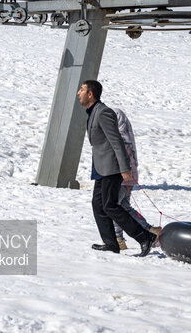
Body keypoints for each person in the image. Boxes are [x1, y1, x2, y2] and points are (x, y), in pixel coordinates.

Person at [77, 80, 157, 256]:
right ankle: (111, 243)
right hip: (100, 166)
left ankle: (145, 237)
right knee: (98, 205)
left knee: (110, 205)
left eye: (81, 90)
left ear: (90, 94)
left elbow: (117, 141)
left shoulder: (103, 112)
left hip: (112, 167)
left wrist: (125, 168)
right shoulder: (92, 112)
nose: (78, 93)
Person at [110, 108, 159, 250]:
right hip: (130, 174)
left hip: (122, 174)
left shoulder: (120, 136)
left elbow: (120, 150)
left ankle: (118, 238)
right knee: (124, 206)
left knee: (114, 206)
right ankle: (149, 229)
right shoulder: (126, 133)